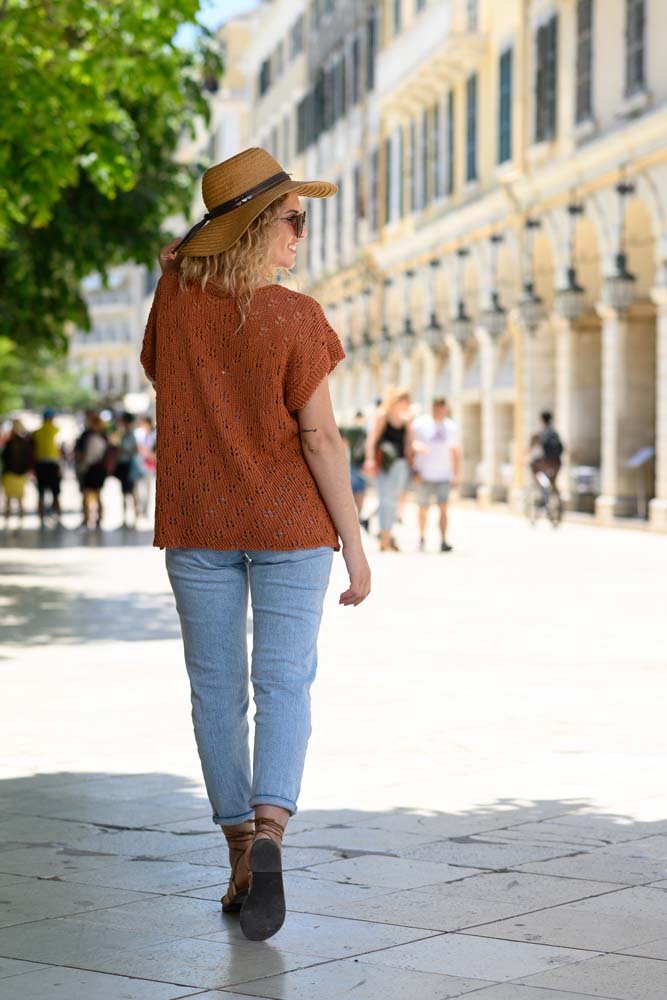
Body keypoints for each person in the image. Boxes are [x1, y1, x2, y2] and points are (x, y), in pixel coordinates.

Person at [144, 147, 370, 942]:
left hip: (197, 526)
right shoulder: (296, 317)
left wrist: (177, 268)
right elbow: (321, 439)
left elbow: (157, 372)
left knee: (215, 691)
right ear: (253, 228)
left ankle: (239, 851)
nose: (301, 234)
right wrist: (355, 544)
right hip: (289, 527)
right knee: (283, 685)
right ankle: (270, 834)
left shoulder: (172, 300)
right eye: (291, 218)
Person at [363, 387, 414, 552]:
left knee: (394, 501)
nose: (406, 403)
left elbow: (408, 444)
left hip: (401, 464)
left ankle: (388, 535)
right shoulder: (382, 416)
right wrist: (369, 460)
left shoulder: (406, 420)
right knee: (384, 499)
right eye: (403, 400)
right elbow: (372, 440)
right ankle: (384, 538)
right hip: (385, 464)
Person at [411, 397, 460, 552]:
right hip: (424, 474)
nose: (438, 410)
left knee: (444, 508)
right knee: (423, 508)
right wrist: (414, 469)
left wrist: (456, 474)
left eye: (441, 407)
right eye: (436, 407)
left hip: (444, 475)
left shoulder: (452, 427)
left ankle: (444, 540)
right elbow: (410, 445)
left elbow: (455, 452)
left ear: (445, 408)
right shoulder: (419, 424)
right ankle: (421, 537)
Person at [75, 414, 108, 529]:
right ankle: (97, 520)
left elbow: (83, 455)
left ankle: (87, 519)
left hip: (90, 469)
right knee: (97, 495)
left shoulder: (88, 436)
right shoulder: (104, 436)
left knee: (87, 495)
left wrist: (81, 468)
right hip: (100, 469)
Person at [31, 409, 62, 527]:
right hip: (52, 464)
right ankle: (58, 518)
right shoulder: (54, 430)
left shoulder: (37, 432)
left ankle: (41, 520)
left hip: (40, 465)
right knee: (56, 493)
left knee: (41, 493)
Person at [339, 410, 369, 530]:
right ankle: (358, 515)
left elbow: (344, 444)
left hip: (354, 464)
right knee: (360, 491)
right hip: (362, 465)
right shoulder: (365, 430)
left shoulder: (351, 430)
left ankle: (355, 516)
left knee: (353, 490)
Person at [1, 420, 33, 527]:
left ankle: (9, 522)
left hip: (11, 474)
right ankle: (20, 522)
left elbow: (4, 457)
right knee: (19, 500)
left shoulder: (11, 442)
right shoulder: (24, 442)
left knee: (9, 500)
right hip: (19, 475)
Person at [114, 412, 141, 527]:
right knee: (125, 493)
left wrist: (122, 450)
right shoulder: (123, 434)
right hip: (123, 465)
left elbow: (134, 451)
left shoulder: (131, 435)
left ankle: (134, 519)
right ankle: (126, 519)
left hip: (129, 465)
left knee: (132, 492)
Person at [530, 411, 564, 497]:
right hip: (557, 462)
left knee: (532, 465)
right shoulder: (555, 432)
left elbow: (531, 447)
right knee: (553, 482)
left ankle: (538, 489)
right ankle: (558, 503)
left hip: (545, 462)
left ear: (541, 420)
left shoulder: (540, 432)